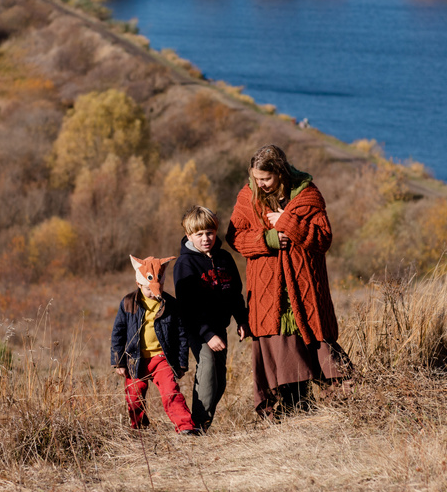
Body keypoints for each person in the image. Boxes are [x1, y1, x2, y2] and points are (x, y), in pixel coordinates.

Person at [226, 144, 348, 417]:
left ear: (280, 173)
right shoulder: (248, 196)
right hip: (269, 296)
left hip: (306, 292)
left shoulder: (308, 194)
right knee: (282, 357)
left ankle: (339, 412)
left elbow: (323, 239)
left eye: (266, 179)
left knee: (324, 355)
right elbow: (234, 237)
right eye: (256, 178)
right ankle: (293, 414)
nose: (260, 184)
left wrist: (288, 222)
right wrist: (268, 239)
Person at [173, 205, 249, 432]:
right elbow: (187, 305)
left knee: (219, 380)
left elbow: (235, 293)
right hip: (198, 328)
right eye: (199, 234)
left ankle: (203, 423)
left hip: (220, 327)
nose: (206, 238)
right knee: (207, 370)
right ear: (189, 236)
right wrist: (207, 334)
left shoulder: (224, 258)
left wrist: (242, 319)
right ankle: (195, 427)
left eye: (210, 233)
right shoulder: (185, 264)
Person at [110, 255, 200, 435]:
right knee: (134, 397)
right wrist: (119, 361)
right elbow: (118, 333)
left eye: (159, 287)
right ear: (139, 284)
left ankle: (185, 427)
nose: (154, 292)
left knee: (170, 392)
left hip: (162, 358)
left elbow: (181, 336)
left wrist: (181, 364)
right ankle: (139, 428)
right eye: (148, 289)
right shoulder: (128, 303)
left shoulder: (170, 304)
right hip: (135, 359)